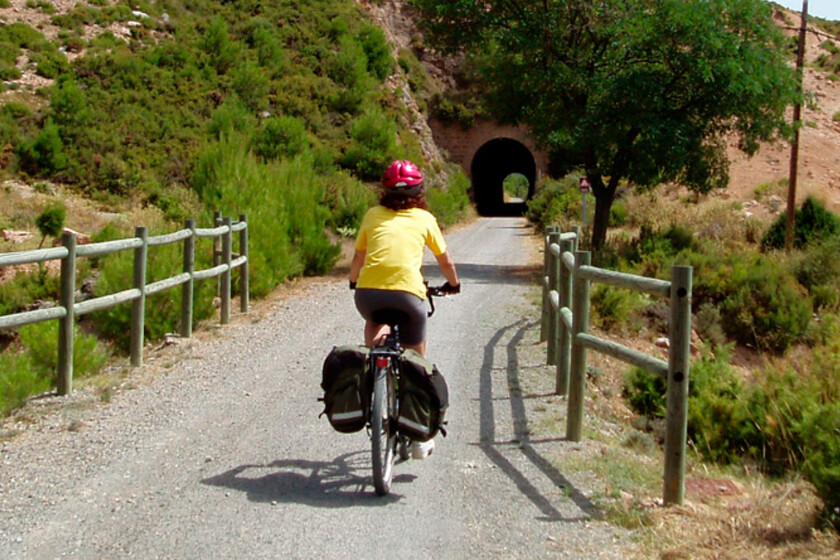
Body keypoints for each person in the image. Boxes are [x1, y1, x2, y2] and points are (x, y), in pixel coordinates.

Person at [349, 160, 460, 459]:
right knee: (415, 359)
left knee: (375, 321)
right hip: (409, 296)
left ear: (384, 191)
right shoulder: (424, 218)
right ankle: (419, 435)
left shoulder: (373, 215)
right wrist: (453, 284)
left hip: (369, 294)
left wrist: (353, 281)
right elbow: (445, 261)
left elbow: (359, 256)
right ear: (420, 190)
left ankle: (373, 372)